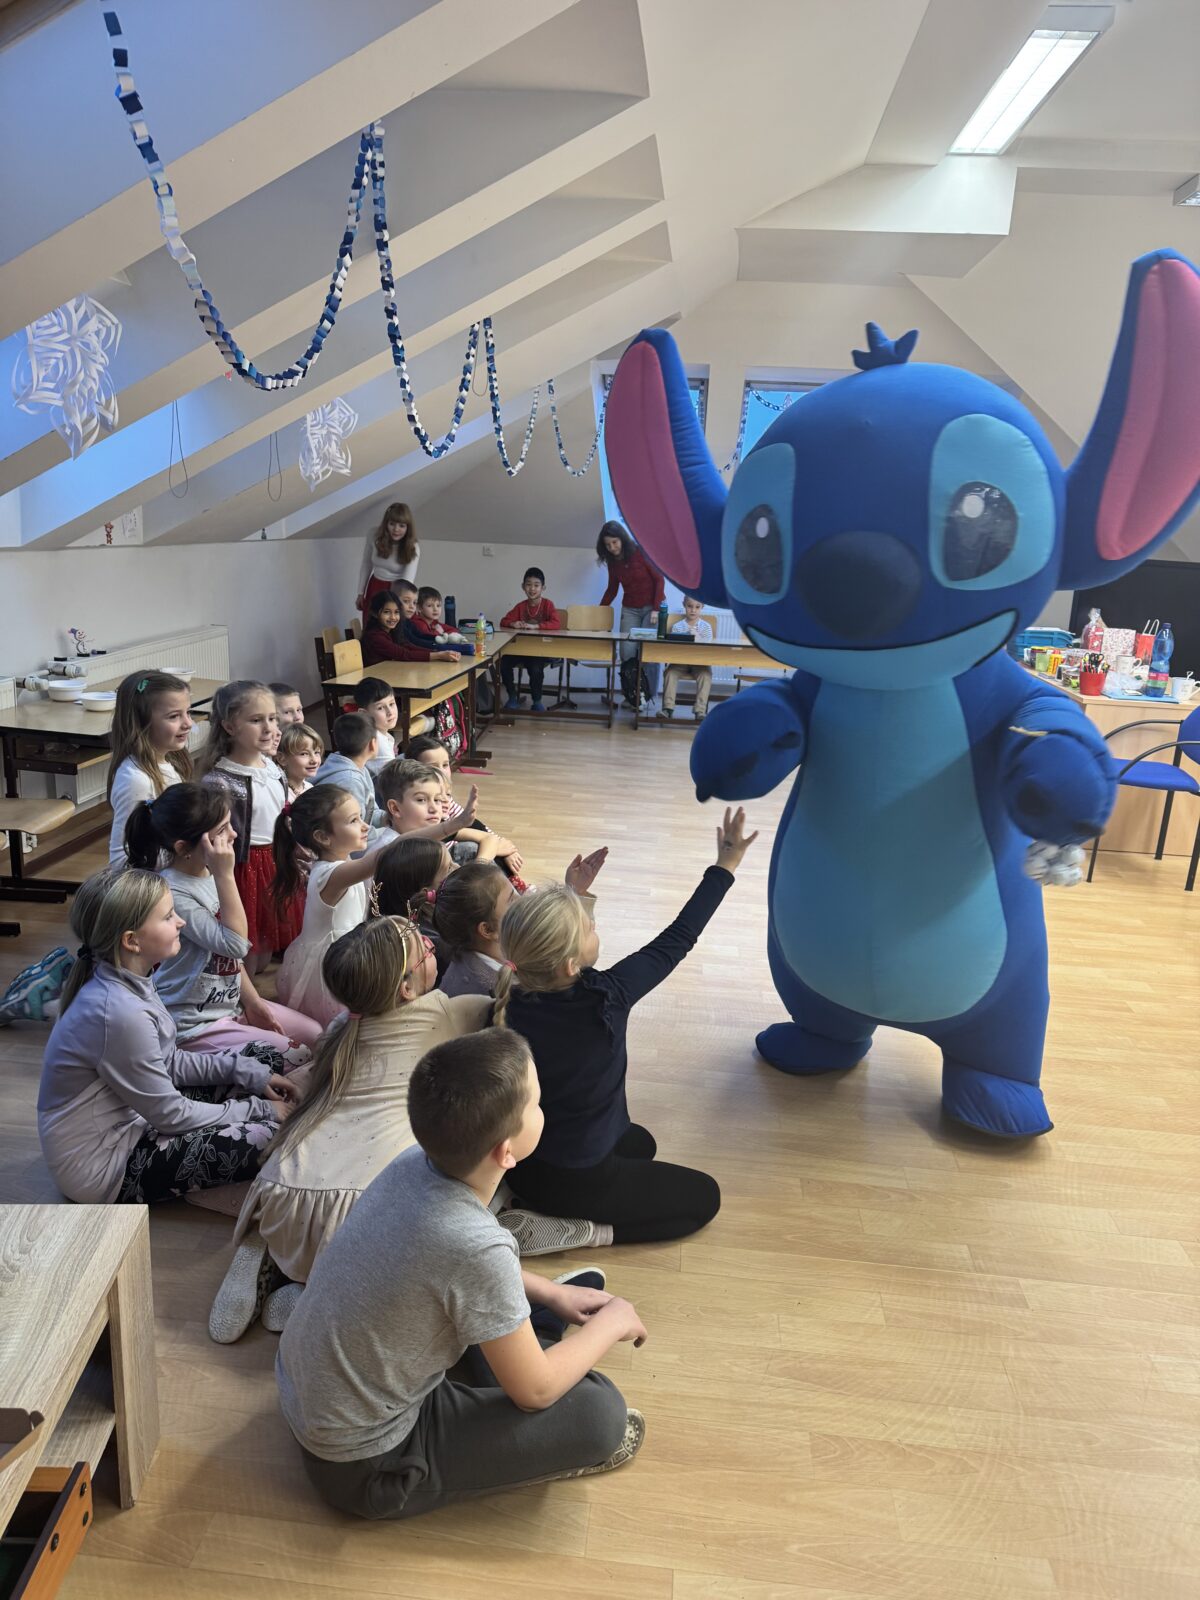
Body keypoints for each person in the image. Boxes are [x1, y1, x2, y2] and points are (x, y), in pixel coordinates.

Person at [275, 1027, 647, 1520]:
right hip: (366, 1464)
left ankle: (529, 1330)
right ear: (506, 1152)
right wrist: (613, 1322)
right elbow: (534, 1392)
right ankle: (530, 1359)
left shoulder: (414, 1162)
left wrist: (549, 1293)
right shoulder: (477, 1247)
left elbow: (447, 1263)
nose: (543, 1108)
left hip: (309, 1395)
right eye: (536, 1103)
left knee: (498, 1306)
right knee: (600, 1414)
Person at [210, 915, 493, 1341]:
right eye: (424, 949)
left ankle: (261, 1246)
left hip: (282, 1186)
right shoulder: (450, 1013)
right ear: (406, 988)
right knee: (402, 1246)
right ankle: (318, 1291)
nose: (431, 947)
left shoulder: (342, 1026)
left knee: (301, 1202)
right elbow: (505, 1003)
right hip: (356, 1206)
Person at [497, 810, 757, 1244]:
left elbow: (546, 947)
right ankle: (582, 1231)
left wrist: (573, 894)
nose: (594, 926)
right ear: (570, 963)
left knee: (641, 1144)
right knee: (705, 1198)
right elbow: (678, 938)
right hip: (578, 1178)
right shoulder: (606, 1000)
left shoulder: (508, 990)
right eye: (589, 927)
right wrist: (725, 865)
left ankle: (542, 1201)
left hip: (529, 1163)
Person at [37, 865, 300, 1204]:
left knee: (262, 1060)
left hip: (139, 1119)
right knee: (267, 1136)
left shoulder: (130, 978)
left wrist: (248, 1072)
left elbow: (169, 1061)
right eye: (168, 916)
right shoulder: (117, 1012)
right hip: (105, 1165)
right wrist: (259, 1110)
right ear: (132, 941)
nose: (181, 922)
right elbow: (170, 1114)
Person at [124, 783, 322, 1055]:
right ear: (183, 848)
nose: (234, 834)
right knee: (297, 1055)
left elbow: (231, 960)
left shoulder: (209, 873)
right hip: (194, 1023)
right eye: (221, 831)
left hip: (229, 1006)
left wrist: (253, 1002)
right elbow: (235, 945)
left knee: (316, 1035)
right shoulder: (174, 892)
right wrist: (226, 875)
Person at [276, 784, 473, 1027]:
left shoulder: (344, 864)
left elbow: (395, 846)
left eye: (361, 817)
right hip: (333, 962)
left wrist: (452, 826)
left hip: (351, 951)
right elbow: (392, 849)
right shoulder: (329, 876)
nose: (365, 826)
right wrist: (451, 826)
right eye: (353, 821)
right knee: (335, 1023)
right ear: (323, 837)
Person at [199, 680, 299, 969]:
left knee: (267, 945)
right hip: (245, 868)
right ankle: (241, 989)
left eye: (272, 718)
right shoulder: (220, 781)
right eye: (256, 720)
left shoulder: (272, 768)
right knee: (245, 947)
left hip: (276, 860)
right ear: (230, 726)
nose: (269, 728)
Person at [407, 735, 526, 883]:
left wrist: (503, 846)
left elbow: (474, 825)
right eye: (433, 767)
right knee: (472, 849)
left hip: (451, 859)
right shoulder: (421, 812)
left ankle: (513, 885)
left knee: (486, 848)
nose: (442, 772)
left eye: (445, 765)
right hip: (437, 867)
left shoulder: (446, 799)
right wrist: (492, 850)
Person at [107, 670, 195, 863]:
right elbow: (121, 858)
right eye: (174, 716)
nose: (188, 723)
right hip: (160, 881)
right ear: (141, 722)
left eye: (188, 712)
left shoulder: (170, 762)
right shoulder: (136, 780)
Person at [596, 520, 665, 710]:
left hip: (652, 608)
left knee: (647, 652)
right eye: (608, 545)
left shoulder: (640, 552)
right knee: (626, 652)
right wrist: (599, 610)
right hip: (630, 609)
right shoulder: (613, 562)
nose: (612, 548)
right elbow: (612, 589)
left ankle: (647, 697)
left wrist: (656, 609)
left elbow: (659, 580)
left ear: (622, 539)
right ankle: (632, 695)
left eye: (614, 542)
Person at [435, 860, 515, 998]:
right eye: (512, 900)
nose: (522, 900)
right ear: (488, 930)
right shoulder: (496, 991)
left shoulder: (469, 953)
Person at [499, 567, 563, 713]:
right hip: (521, 650)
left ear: (543, 588)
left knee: (535, 668)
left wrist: (536, 626)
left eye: (536, 585)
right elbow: (504, 621)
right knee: (503, 663)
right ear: (523, 587)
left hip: (539, 651)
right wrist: (513, 624)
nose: (532, 589)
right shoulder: (521, 606)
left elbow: (556, 623)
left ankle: (537, 700)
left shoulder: (548, 605)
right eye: (528, 585)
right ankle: (512, 697)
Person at [312, 713, 387, 831]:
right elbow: (356, 830)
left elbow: (372, 813)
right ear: (372, 744)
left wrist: (391, 817)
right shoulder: (350, 781)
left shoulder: (357, 767)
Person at [355, 502, 419, 628]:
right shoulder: (373, 535)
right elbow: (366, 564)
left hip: (397, 590)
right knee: (371, 626)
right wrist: (360, 593)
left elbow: (407, 581)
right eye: (392, 524)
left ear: (408, 527)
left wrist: (400, 603)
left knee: (392, 626)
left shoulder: (413, 547)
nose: (396, 529)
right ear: (386, 524)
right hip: (375, 585)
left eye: (401, 526)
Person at [363, 590, 459, 667]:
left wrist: (438, 653)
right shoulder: (375, 636)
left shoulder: (391, 631)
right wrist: (438, 655)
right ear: (375, 613)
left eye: (396, 612)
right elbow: (404, 654)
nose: (393, 617)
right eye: (387, 612)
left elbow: (407, 646)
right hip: (377, 679)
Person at [658, 596, 714, 722]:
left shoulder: (706, 627)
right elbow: (675, 649)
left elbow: (708, 648)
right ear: (684, 605)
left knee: (706, 675)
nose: (693, 610)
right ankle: (668, 708)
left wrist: (697, 638)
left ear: (702, 607)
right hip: (680, 663)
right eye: (690, 606)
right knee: (670, 673)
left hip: (700, 663)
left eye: (697, 607)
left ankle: (700, 710)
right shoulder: (677, 627)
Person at [352, 678, 400, 775]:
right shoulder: (377, 741)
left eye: (391, 704)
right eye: (380, 708)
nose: (390, 712)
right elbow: (394, 777)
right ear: (364, 713)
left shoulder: (377, 734)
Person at [403, 587, 470, 655]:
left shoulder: (434, 622)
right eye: (430, 606)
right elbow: (431, 639)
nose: (435, 609)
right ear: (419, 608)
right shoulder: (418, 623)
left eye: (438, 605)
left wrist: (444, 634)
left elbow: (455, 630)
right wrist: (440, 633)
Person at [276, 722, 323, 801]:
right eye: (304, 754)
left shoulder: (310, 788)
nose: (314, 760)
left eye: (316, 752)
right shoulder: (279, 793)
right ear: (282, 759)